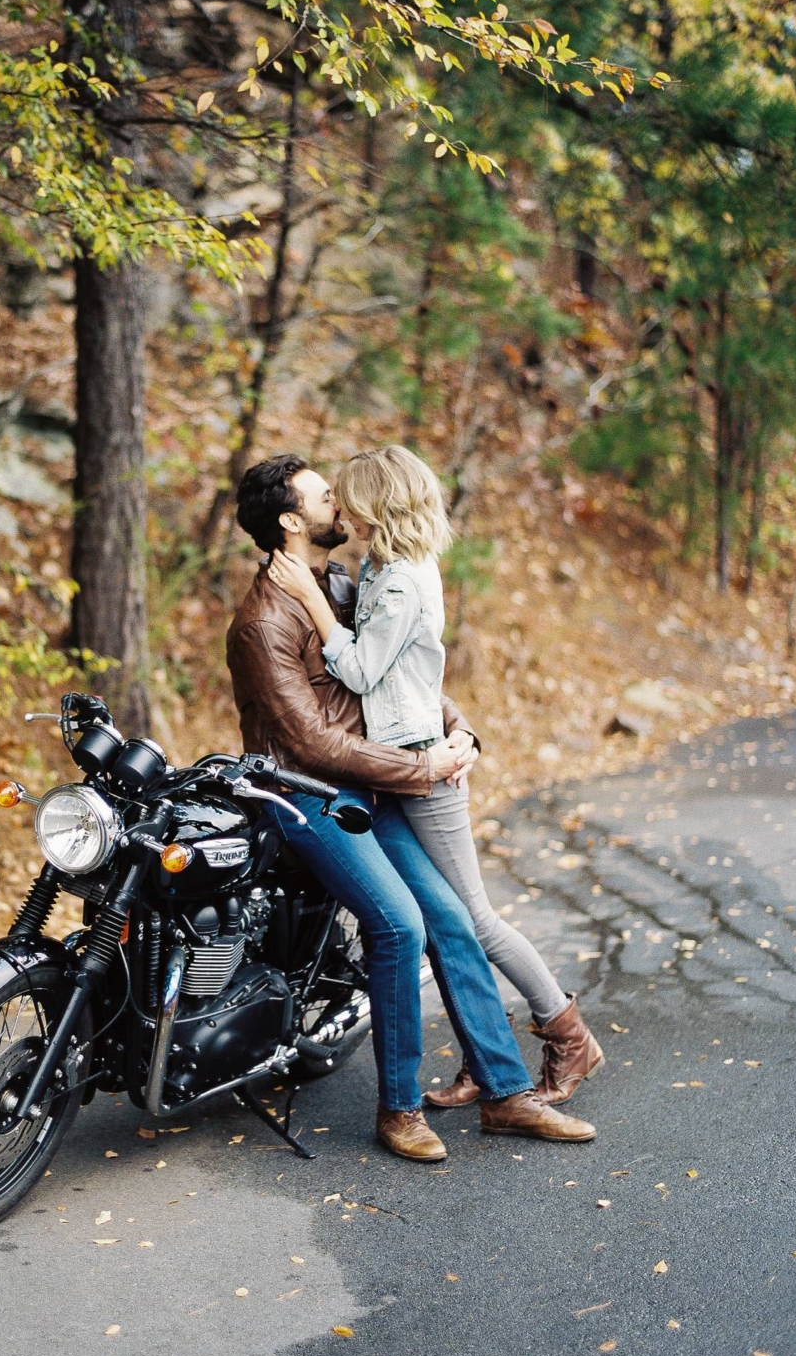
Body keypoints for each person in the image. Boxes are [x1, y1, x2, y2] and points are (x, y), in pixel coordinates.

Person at [226, 453, 595, 1158]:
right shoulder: (263, 623)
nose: (340, 504)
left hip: (370, 782)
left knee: (452, 916)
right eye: (324, 497)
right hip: (307, 794)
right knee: (398, 925)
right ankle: (398, 1110)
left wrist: (457, 728)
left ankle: (506, 1094)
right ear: (289, 521)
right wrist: (421, 766)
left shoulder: (337, 581)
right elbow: (308, 742)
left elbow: (396, 674)